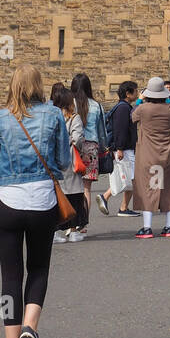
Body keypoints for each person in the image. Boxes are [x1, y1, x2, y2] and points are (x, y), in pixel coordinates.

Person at [0, 64, 69, 338]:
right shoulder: (54, 115)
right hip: (43, 200)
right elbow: (63, 161)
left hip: (8, 200)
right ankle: (30, 327)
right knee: (38, 270)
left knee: (10, 277)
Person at [131, 77, 170, 238]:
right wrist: (168, 98)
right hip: (169, 155)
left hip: (148, 155)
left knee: (148, 189)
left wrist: (140, 100)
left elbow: (132, 116)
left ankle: (147, 227)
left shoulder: (143, 109)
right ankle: (169, 227)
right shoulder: (169, 108)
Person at [50, 84, 89, 244]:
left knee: (56, 197)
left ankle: (54, 232)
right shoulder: (74, 118)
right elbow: (78, 138)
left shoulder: (50, 116)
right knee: (74, 196)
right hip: (70, 159)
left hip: (53, 160)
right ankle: (73, 231)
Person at [69, 73, 105, 226]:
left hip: (72, 147)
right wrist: (103, 148)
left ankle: (69, 224)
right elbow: (102, 131)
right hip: (91, 147)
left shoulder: (70, 104)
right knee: (86, 189)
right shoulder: (97, 106)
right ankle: (82, 224)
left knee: (70, 187)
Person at [100, 81, 139, 216]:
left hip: (125, 148)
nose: (138, 93)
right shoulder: (123, 108)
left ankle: (119, 204)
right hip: (124, 148)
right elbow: (120, 130)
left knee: (128, 178)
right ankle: (117, 204)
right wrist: (120, 148)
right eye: (135, 91)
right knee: (132, 178)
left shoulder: (123, 107)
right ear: (128, 94)